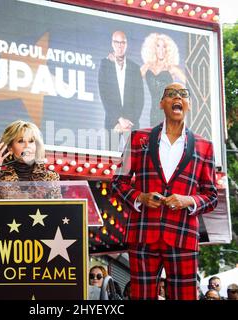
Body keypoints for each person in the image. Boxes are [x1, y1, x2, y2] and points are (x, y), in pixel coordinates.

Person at [110, 82, 218, 300]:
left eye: (183, 95)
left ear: (188, 105)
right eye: (171, 94)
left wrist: (188, 200)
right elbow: (117, 183)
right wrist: (140, 197)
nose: (177, 97)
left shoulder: (204, 146)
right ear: (162, 103)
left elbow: (212, 196)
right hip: (143, 234)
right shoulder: (137, 138)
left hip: (183, 236)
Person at [0, 120, 60, 198]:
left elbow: (58, 208)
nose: (27, 146)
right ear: (10, 148)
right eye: (21, 141)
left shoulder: (50, 177)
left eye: (31, 141)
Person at [98, 30, 144, 149]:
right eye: (117, 42)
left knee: (133, 162)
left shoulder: (134, 68)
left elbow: (140, 98)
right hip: (113, 121)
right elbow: (104, 95)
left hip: (131, 123)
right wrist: (119, 119)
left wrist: (128, 121)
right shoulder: (105, 64)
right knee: (111, 160)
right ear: (112, 43)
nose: (119, 45)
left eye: (122, 42)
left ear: (126, 44)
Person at [141, 33, 186, 127]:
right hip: (153, 111)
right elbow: (131, 79)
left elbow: (192, 84)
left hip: (168, 111)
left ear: (168, 49)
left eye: (164, 47)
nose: (161, 49)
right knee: (154, 138)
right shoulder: (147, 67)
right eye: (158, 46)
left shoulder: (172, 68)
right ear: (154, 48)